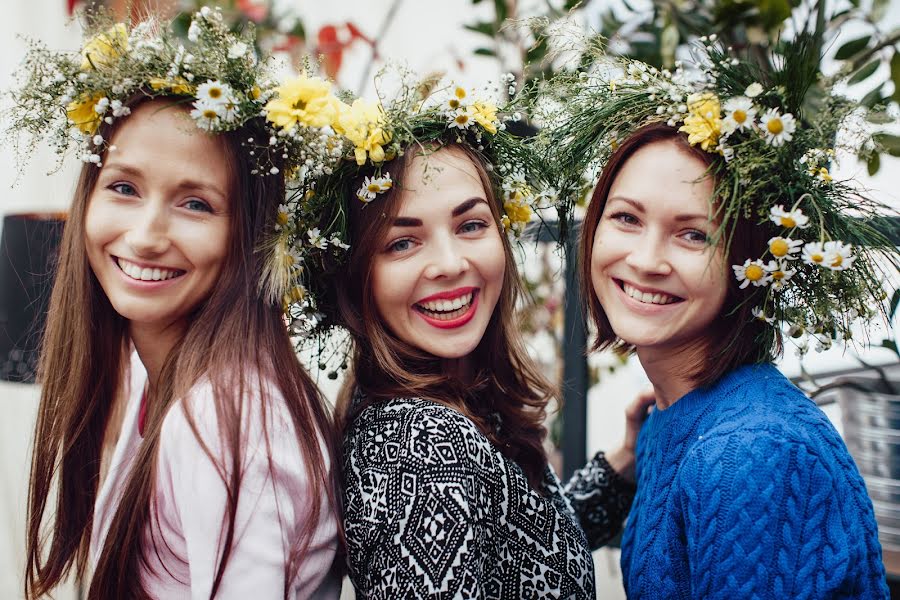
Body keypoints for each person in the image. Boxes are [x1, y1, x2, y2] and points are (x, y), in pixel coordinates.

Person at [10, 10, 342, 599]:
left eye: (195, 204)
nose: (145, 235)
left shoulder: (227, 416)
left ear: (251, 234)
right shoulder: (162, 384)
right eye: (124, 187)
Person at [546, 38, 893, 598]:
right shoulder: (673, 418)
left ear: (748, 259)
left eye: (692, 234)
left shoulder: (753, 454)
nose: (646, 260)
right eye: (627, 218)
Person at [285, 78, 654, 598]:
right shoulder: (421, 450)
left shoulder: (455, 399)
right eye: (403, 242)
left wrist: (621, 464)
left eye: (470, 225)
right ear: (355, 274)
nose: (451, 264)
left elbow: (526, 552)